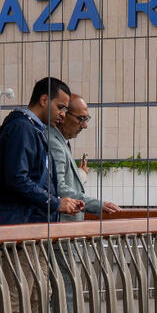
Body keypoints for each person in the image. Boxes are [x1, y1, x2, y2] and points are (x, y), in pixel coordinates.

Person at [0, 77, 84, 225]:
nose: (63, 115)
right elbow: (17, 179)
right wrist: (55, 203)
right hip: (19, 224)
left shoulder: (32, 129)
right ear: (44, 100)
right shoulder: (22, 128)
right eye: (60, 107)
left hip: (24, 221)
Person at [48, 93, 108, 222]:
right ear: (63, 115)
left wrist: (81, 173)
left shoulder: (61, 141)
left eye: (86, 119)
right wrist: (98, 205)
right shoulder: (54, 143)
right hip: (62, 226)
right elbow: (58, 187)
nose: (85, 125)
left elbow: (63, 179)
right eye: (81, 119)